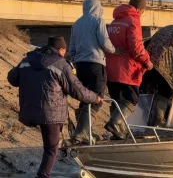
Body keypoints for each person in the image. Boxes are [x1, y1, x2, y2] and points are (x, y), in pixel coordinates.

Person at [7, 36, 102, 178]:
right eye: (65, 51)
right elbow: (78, 91)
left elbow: (12, 79)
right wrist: (95, 98)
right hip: (52, 114)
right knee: (51, 149)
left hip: (29, 110)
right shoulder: (61, 64)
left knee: (49, 146)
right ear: (61, 49)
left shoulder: (27, 60)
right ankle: (43, 175)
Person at [68, 0, 124, 144]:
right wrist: (114, 50)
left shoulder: (76, 24)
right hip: (95, 64)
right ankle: (82, 133)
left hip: (80, 65)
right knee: (96, 99)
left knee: (85, 97)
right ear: (98, 8)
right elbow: (104, 42)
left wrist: (76, 60)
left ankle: (85, 131)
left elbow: (71, 48)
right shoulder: (98, 21)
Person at [105, 0, 153, 140]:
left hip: (111, 69)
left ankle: (120, 132)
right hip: (127, 70)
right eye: (143, 10)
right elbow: (136, 47)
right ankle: (115, 123)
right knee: (131, 99)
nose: (142, 13)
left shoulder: (115, 21)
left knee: (117, 100)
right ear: (139, 9)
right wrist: (147, 61)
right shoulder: (133, 20)